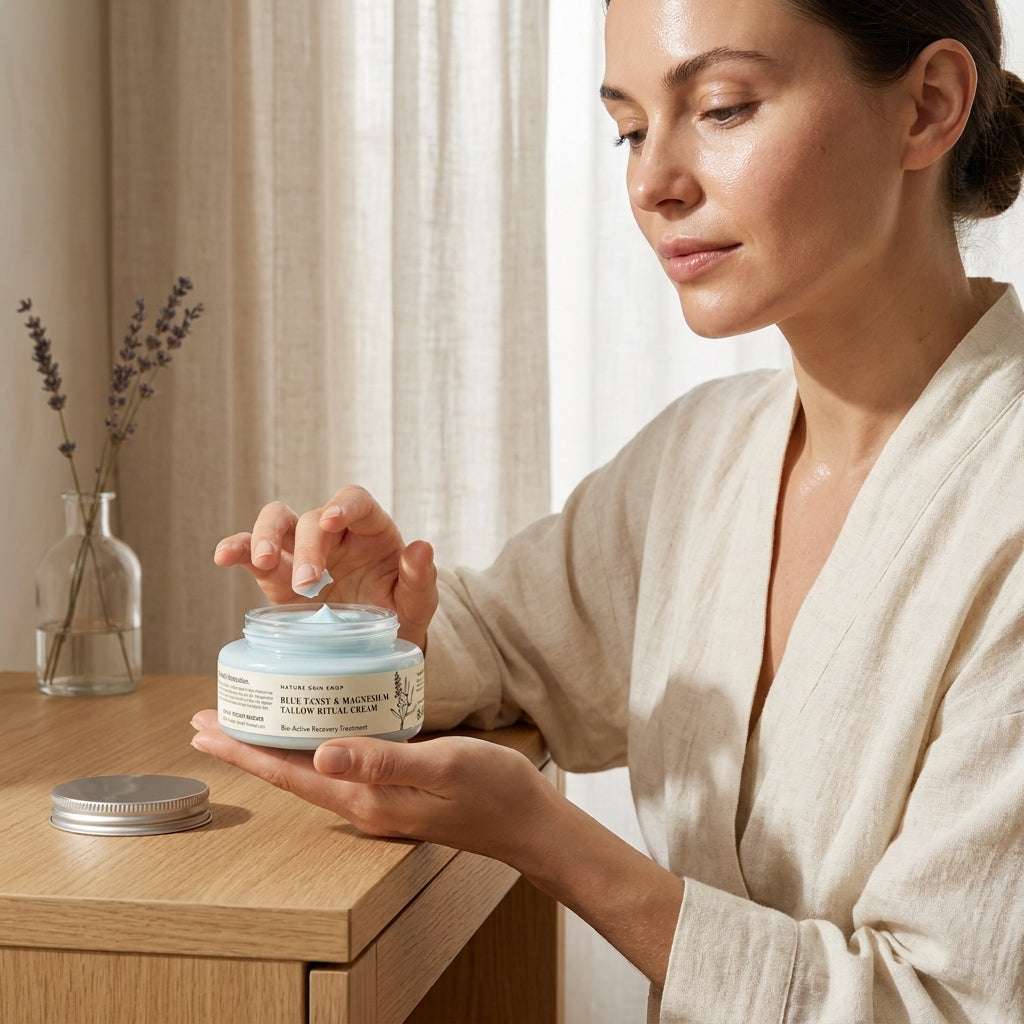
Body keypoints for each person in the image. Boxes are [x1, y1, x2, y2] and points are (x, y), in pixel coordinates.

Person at [191, 0, 1024, 1019]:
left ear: (928, 107)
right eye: (630, 128)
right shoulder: (705, 454)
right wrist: (370, 620)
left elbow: (944, 1000)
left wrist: (550, 841)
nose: (651, 182)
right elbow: (504, 643)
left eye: (721, 107)